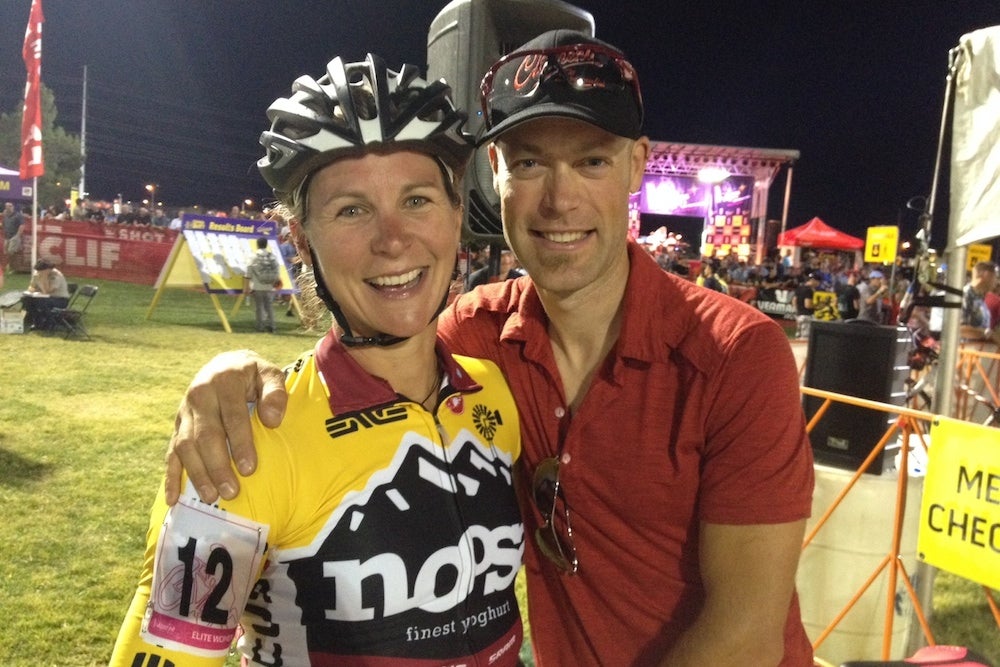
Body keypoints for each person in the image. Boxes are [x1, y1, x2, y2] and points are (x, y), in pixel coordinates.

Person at [167, 30, 815, 666]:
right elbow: (367, 350)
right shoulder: (476, 341)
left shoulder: (736, 355)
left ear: (637, 164)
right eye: (529, 162)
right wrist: (234, 375)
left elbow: (747, 633)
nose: (561, 201)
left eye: (590, 160)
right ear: (494, 174)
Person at [110, 53, 524, 666]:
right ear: (301, 239)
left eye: (416, 200)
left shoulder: (495, 391)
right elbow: (166, 648)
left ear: (456, 215)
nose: (392, 240)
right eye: (351, 210)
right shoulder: (246, 445)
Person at [23, 258, 71, 330]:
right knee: (27, 300)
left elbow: (47, 291)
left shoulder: (56, 275)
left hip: (60, 300)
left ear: (48, 269)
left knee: (41, 302)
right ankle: (37, 322)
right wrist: (32, 290)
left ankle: (50, 323)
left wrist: (44, 278)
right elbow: (31, 286)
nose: (39, 272)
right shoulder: (37, 273)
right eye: (38, 271)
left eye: (41, 271)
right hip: (44, 298)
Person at [243, 236, 279, 333]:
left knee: (259, 307)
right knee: (269, 307)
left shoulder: (254, 256)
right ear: (266, 244)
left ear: (257, 245)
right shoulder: (272, 256)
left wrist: (246, 287)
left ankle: (260, 326)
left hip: (257, 286)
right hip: (269, 286)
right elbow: (277, 270)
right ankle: (272, 326)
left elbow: (248, 272)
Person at [959, 260, 998, 342]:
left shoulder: (979, 297)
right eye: (995, 277)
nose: (996, 282)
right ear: (986, 275)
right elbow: (958, 328)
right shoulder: (966, 295)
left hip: (975, 351)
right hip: (963, 350)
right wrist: (988, 334)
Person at [792, 271, 819, 338]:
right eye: (817, 281)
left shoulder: (799, 288)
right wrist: (818, 306)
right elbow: (807, 305)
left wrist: (797, 312)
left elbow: (794, 301)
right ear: (813, 280)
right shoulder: (809, 290)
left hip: (799, 315)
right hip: (807, 316)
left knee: (798, 337)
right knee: (805, 339)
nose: (818, 283)